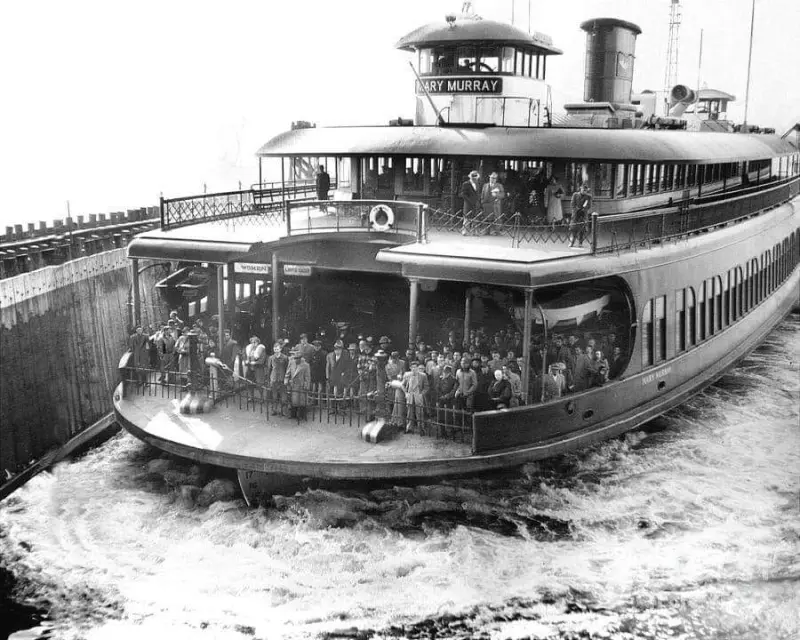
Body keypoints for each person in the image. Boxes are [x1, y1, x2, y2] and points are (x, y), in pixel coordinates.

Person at [403, 361, 429, 434]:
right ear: (410, 368)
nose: (414, 369)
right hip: (410, 396)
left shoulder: (423, 375)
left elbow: (426, 387)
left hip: (418, 396)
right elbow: (403, 385)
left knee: (419, 413)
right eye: (412, 367)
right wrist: (406, 393)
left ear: (418, 368)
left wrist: (421, 394)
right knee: (409, 413)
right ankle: (409, 428)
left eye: (415, 367)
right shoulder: (407, 375)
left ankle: (421, 429)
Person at [285, 349, 311, 420]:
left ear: (300, 358)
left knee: (301, 402)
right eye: (295, 358)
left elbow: (307, 377)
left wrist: (306, 386)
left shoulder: (306, 365)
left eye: (297, 358)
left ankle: (301, 415)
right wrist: (286, 380)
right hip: (293, 385)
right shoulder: (291, 363)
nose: (296, 360)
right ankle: (293, 414)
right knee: (293, 401)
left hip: (301, 386)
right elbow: (288, 372)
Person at [265, 342, 287, 414]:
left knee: (283, 396)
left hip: (282, 379)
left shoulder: (285, 357)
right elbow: (269, 369)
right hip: (273, 379)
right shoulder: (271, 358)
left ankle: (283, 411)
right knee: (274, 396)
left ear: (280, 349)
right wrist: (268, 379)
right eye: (275, 349)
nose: (276, 350)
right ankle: (274, 410)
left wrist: (287, 379)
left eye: (277, 349)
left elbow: (287, 369)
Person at [569, 182, 593, 247]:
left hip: (583, 214)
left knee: (582, 229)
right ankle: (572, 242)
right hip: (576, 214)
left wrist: (583, 210)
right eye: (583, 189)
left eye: (585, 190)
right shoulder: (575, 195)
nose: (584, 191)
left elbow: (589, 205)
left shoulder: (589, 197)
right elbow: (572, 204)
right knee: (573, 228)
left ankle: (580, 243)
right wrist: (577, 210)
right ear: (580, 188)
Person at [460, 170, 482, 234]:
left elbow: (478, 193)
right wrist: (470, 201)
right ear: (471, 177)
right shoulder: (466, 184)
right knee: (467, 217)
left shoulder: (478, 184)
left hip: (476, 203)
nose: (475, 179)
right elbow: (463, 194)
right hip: (468, 204)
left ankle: (474, 231)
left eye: (476, 178)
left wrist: (478, 201)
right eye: (474, 178)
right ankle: (465, 231)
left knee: (475, 217)